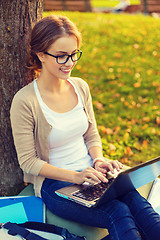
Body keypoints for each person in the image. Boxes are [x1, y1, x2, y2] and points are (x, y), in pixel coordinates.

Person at [10, 15, 160, 240]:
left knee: (139, 206)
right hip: (57, 185)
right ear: (41, 55)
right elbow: (28, 162)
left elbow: (91, 134)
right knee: (117, 212)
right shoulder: (25, 100)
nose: (69, 62)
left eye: (73, 54)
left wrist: (98, 160)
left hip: (93, 174)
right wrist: (76, 176)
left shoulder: (80, 87)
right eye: (61, 56)